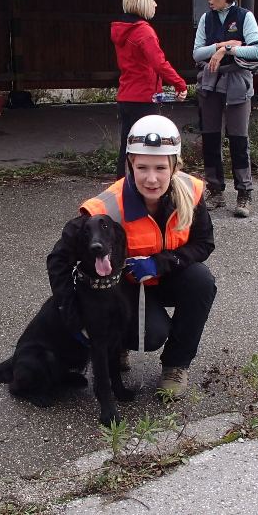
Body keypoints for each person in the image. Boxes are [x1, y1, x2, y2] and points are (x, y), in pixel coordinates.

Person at [46, 115, 216, 398]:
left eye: (161, 167)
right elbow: (58, 260)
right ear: (130, 165)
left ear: (174, 166)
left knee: (201, 281)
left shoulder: (191, 192)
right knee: (150, 334)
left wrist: (162, 262)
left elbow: (203, 244)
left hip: (164, 275)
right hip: (123, 288)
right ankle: (117, 344)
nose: (152, 178)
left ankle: (176, 366)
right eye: (142, 167)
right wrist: (71, 314)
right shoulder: (107, 208)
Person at [193, 0, 258, 218]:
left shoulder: (245, 17)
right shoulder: (206, 18)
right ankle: (215, 190)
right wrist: (217, 47)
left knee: (238, 139)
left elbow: (257, 49)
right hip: (210, 83)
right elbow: (196, 53)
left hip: (237, 82)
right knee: (210, 138)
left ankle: (244, 193)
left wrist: (227, 49)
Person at [111, 0, 188, 178]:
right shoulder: (144, 31)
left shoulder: (122, 29)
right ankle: (141, 189)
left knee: (127, 146)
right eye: (153, 0)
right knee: (146, 147)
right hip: (143, 99)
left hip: (126, 96)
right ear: (143, 2)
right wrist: (180, 83)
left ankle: (122, 187)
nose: (155, 4)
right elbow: (159, 63)